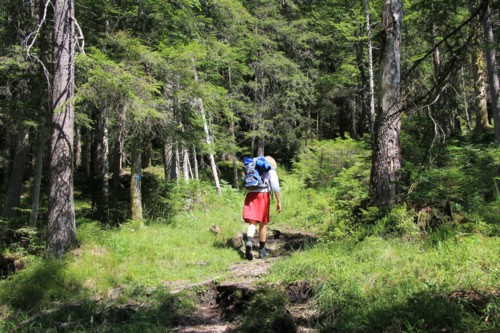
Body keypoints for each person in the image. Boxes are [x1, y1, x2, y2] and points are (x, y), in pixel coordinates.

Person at [242, 155, 282, 260]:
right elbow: (275, 187)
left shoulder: (253, 166)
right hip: (262, 195)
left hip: (250, 194)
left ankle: (249, 241)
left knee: (252, 222)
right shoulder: (270, 170)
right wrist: (279, 202)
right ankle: (262, 251)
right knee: (263, 223)